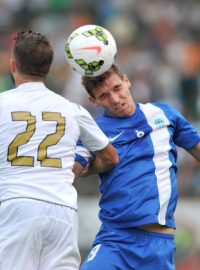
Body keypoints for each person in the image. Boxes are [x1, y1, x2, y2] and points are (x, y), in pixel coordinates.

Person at [0, 30, 119, 270]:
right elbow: (111, 157)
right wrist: (80, 170)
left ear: (14, 65)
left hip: (17, 206)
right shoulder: (72, 109)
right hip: (62, 210)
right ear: (49, 69)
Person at [74, 64, 200, 270]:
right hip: (114, 240)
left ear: (126, 80)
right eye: (104, 95)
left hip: (158, 245)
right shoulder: (93, 130)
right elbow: (79, 168)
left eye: (117, 88)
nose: (115, 99)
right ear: (93, 101)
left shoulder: (164, 114)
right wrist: (100, 163)